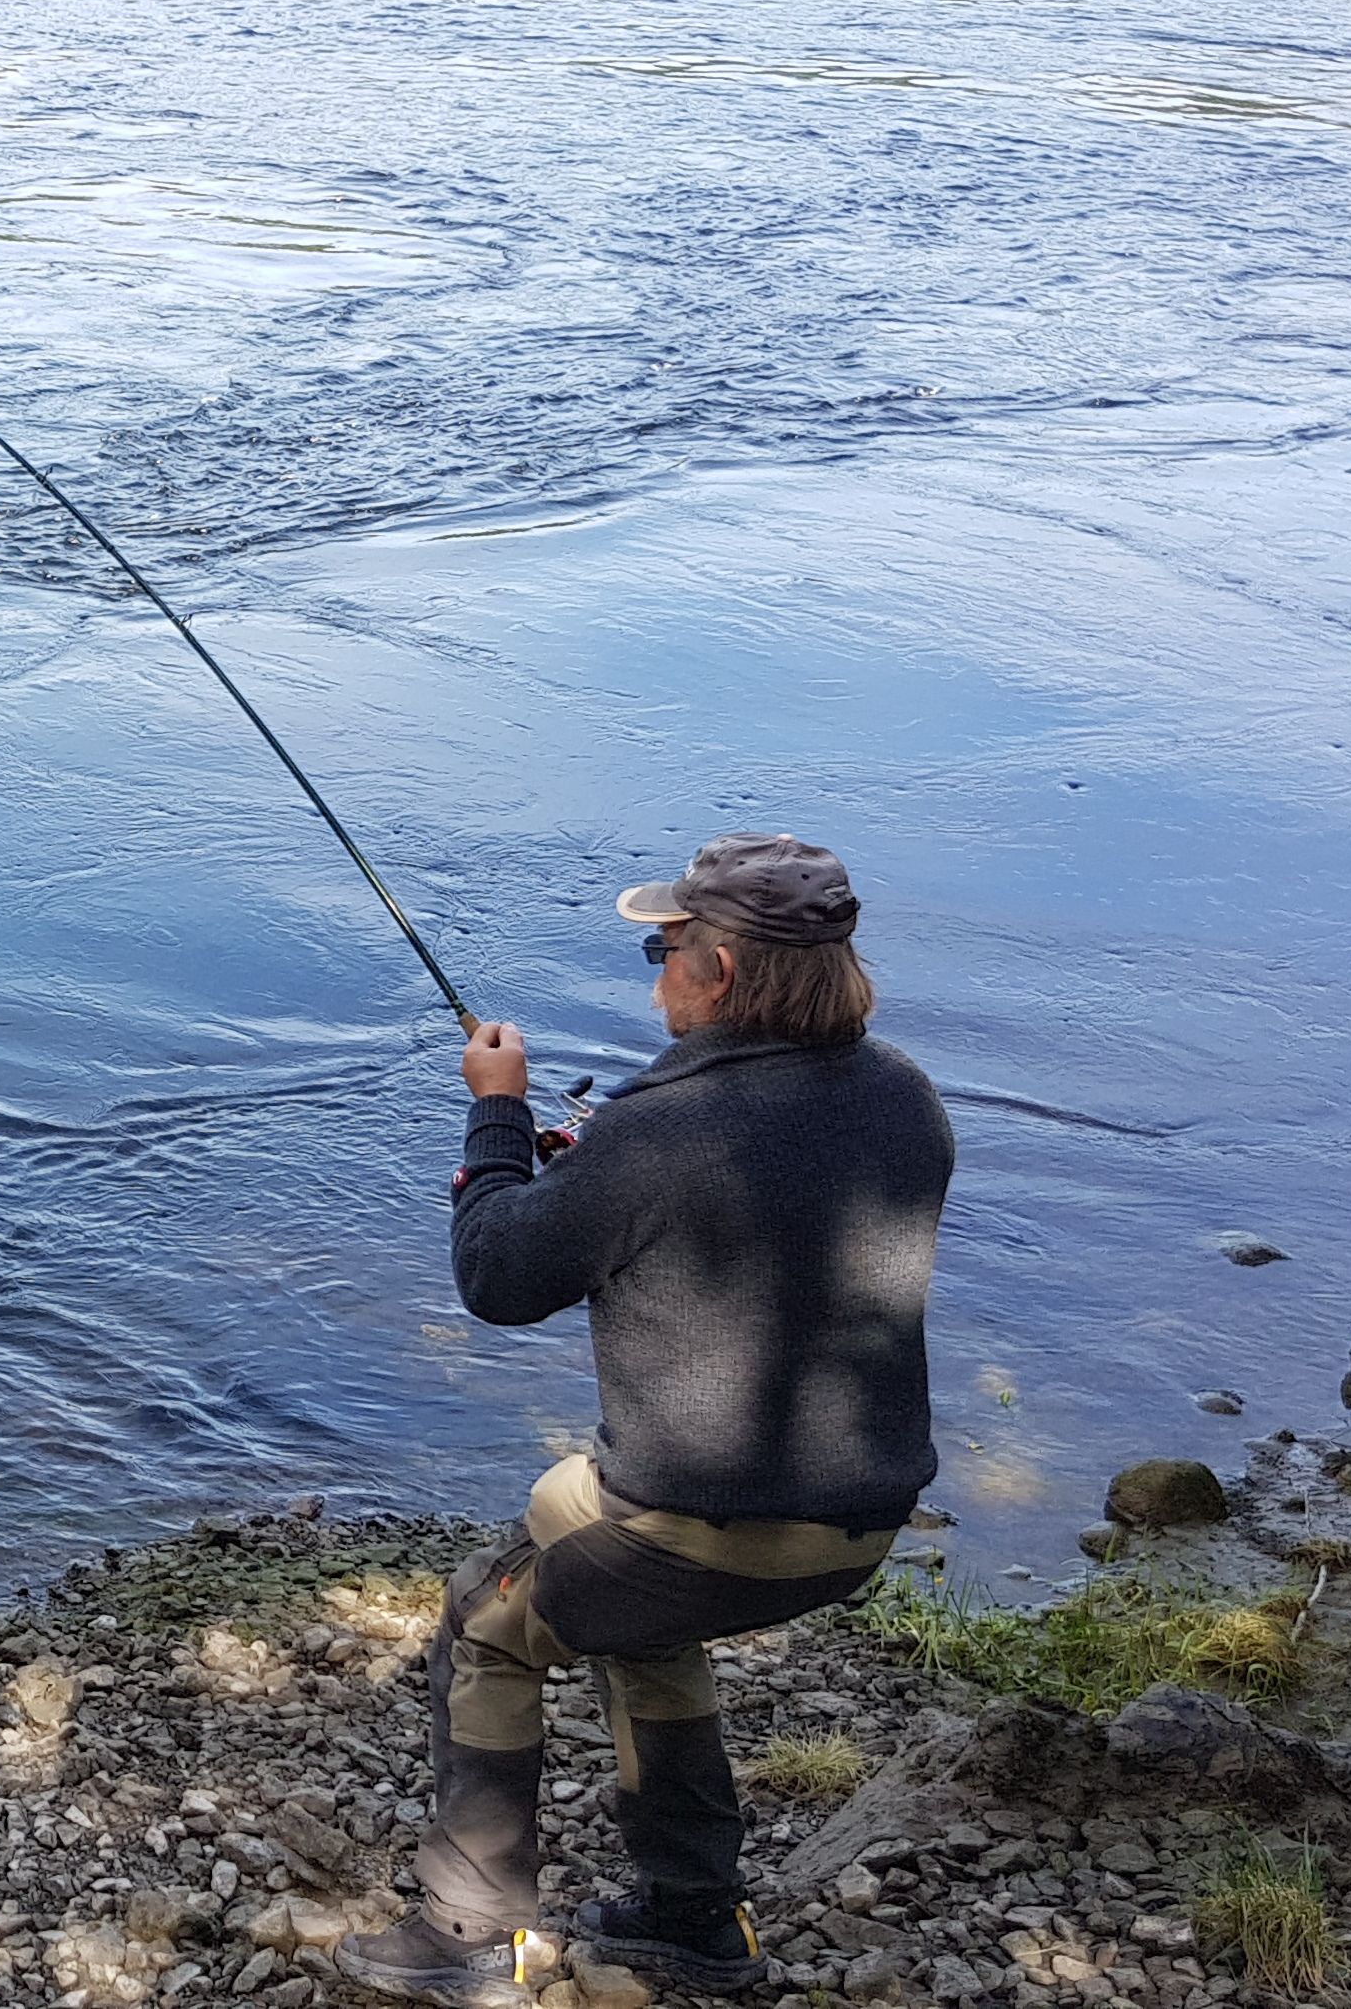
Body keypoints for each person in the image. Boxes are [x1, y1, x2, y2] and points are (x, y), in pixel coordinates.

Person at [336, 834, 950, 2005]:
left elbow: (498, 1280)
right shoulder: (904, 1098)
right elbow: (763, 1209)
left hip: (709, 1530)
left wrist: (499, 1121)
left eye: (664, 950)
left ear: (720, 972)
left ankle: (470, 1936)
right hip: (862, 1525)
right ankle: (694, 1919)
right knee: (607, 1575)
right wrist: (588, 1179)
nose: (656, 972)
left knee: (486, 1620)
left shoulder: (655, 1132)